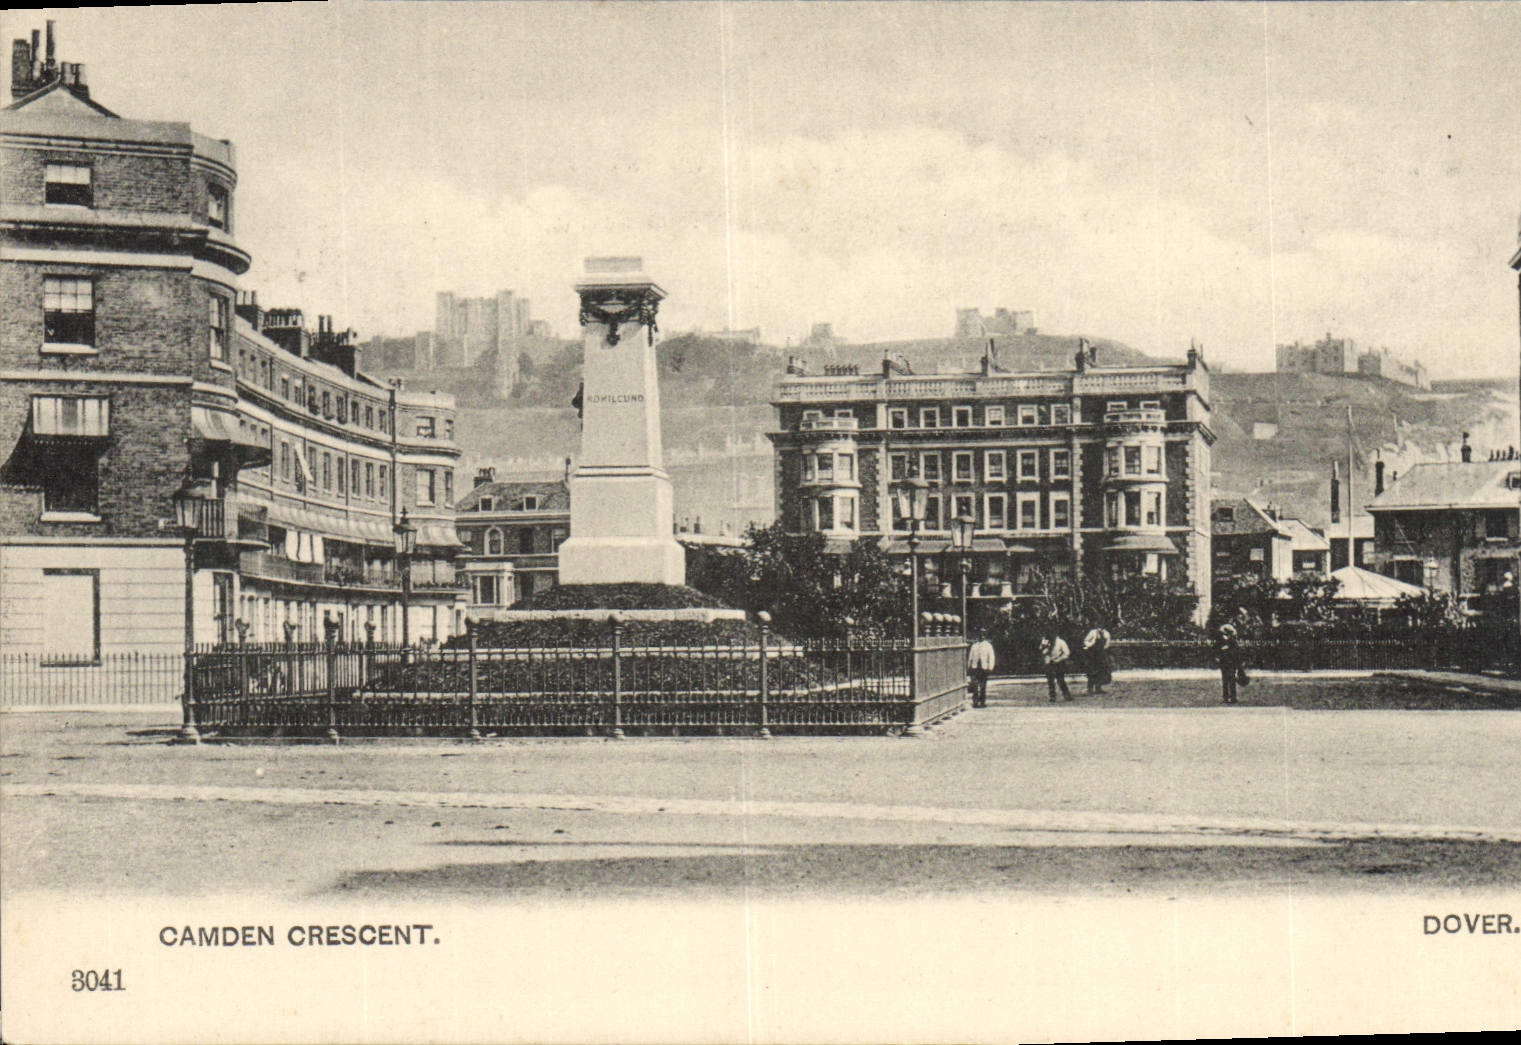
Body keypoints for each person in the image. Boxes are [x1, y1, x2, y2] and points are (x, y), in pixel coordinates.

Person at [1040, 629, 1072, 703]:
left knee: (1060, 679)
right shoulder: (1045, 641)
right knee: (1050, 680)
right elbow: (1042, 651)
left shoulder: (1061, 642)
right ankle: (1052, 696)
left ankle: (1066, 694)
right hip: (1049, 663)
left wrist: (1059, 659)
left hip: (1059, 662)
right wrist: (1044, 647)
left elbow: (1067, 653)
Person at [966, 631, 996, 708]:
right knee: (975, 685)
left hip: (984, 668)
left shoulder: (988, 646)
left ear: (984, 636)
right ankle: (975, 701)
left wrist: (990, 667)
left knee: (983, 686)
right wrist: (969, 667)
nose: (981, 636)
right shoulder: (974, 646)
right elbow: (970, 657)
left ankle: (982, 701)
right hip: (975, 667)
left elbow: (991, 657)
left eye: (983, 635)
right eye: (980, 635)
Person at [1216, 622, 1242, 704]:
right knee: (1226, 680)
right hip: (1226, 663)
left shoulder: (1232, 642)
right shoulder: (1223, 642)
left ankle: (1231, 697)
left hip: (1230, 663)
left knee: (1230, 680)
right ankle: (1227, 697)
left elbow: (1235, 653)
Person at [1083, 623, 1113, 696]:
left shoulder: (1106, 634)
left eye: (1102, 627)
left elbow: (1108, 643)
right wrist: (1091, 644)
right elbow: (1086, 641)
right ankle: (1090, 689)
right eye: (1100, 627)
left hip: (1101, 654)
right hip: (1093, 654)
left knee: (1101, 671)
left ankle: (1098, 688)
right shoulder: (1093, 632)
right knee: (1092, 671)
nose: (1101, 628)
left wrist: (1104, 648)